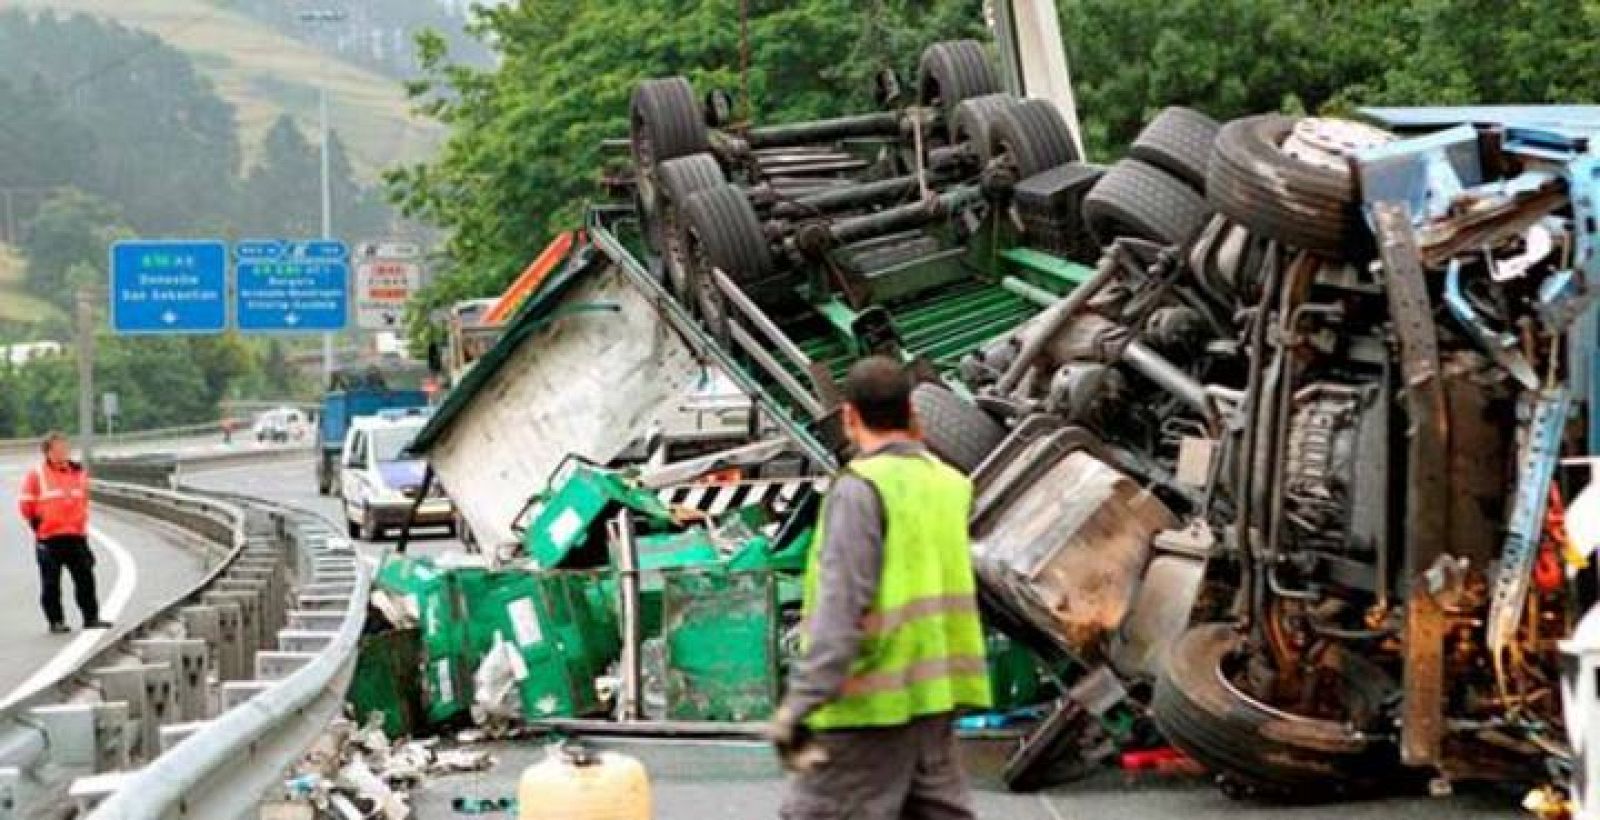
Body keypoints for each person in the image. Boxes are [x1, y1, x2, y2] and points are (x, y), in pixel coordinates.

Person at [769, 357, 991, 820]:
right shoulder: (949, 484)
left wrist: (801, 701)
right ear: (912, 413)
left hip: (867, 704)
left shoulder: (860, 489)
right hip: (935, 696)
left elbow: (842, 606)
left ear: (849, 417)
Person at [18, 432, 111, 634]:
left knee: (85, 579)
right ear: (48, 452)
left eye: (65, 448)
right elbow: (26, 505)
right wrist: (40, 524)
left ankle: (91, 618)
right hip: (49, 538)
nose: (63, 452)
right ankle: (56, 621)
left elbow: (82, 502)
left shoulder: (77, 473)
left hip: (75, 536)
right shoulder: (37, 475)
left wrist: (81, 530)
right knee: (51, 583)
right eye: (58, 448)